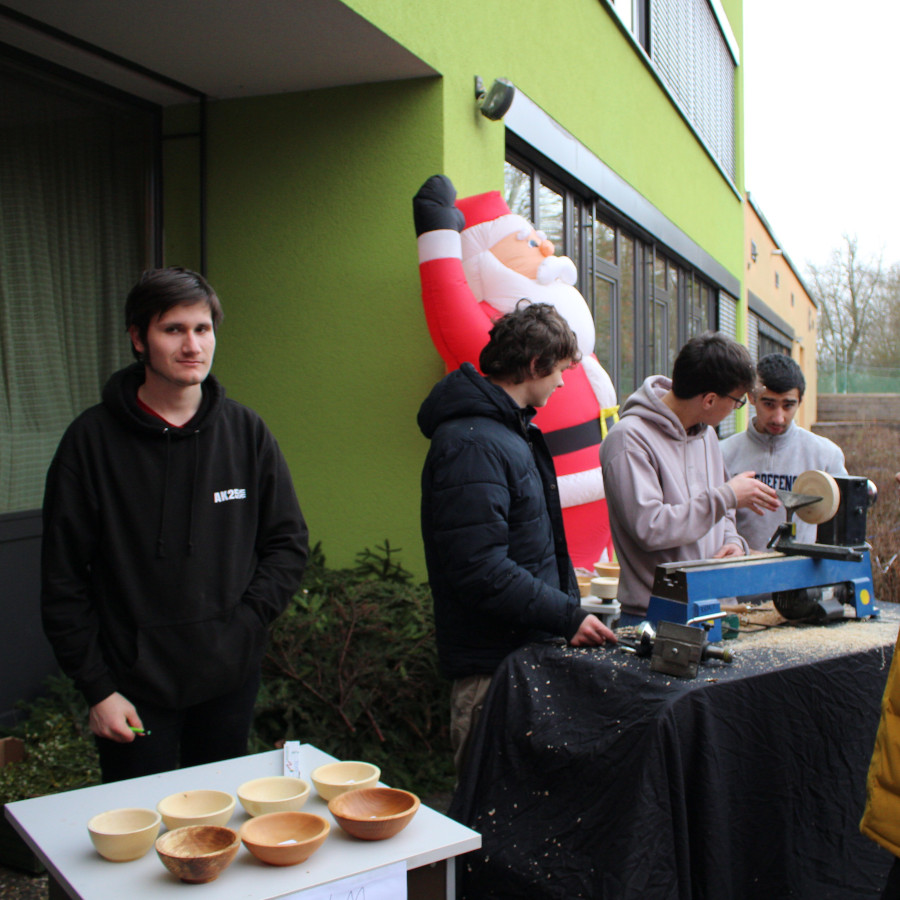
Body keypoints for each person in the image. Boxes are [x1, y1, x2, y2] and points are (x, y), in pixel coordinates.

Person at [41, 267, 309, 782]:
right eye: (173, 330)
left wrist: (245, 625)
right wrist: (97, 688)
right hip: (131, 689)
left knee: (220, 818)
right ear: (138, 338)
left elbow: (287, 542)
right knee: (140, 823)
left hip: (228, 682)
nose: (192, 345)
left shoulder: (246, 433)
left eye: (202, 329)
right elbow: (63, 578)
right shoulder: (91, 443)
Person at [418, 302, 616, 774]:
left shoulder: (508, 431)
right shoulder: (472, 443)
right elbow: (479, 568)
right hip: (491, 671)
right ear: (534, 365)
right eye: (560, 370)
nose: (562, 382)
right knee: (488, 805)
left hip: (515, 660)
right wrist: (566, 615)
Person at [413, 175, 618, 569]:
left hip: (597, 489)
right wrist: (437, 233)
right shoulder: (493, 341)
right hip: (552, 500)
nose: (547, 249)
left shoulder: (558, 331)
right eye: (528, 244)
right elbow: (445, 294)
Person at [600, 332, 780, 624]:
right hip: (658, 617)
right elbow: (650, 527)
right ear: (709, 399)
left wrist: (733, 542)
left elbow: (723, 513)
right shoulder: (628, 440)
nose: (736, 409)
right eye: (737, 402)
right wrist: (728, 496)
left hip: (717, 608)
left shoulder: (706, 435)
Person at [720, 353, 847, 550]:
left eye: (788, 405)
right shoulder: (722, 453)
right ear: (752, 397)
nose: (778, 417)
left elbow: (842, 526)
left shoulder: (826, 455)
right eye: (769, 404)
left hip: (803, 568)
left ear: (800, 400)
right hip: (740, 566)